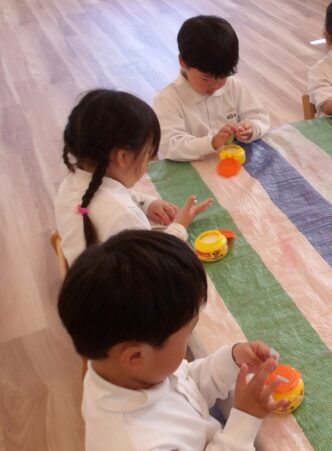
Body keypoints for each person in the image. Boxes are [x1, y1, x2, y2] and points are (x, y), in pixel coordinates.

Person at [58, 230, 287, 450]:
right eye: (188, 334)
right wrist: (245, 420)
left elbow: (186, 384)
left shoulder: (129, 371)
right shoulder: (139, 443)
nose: (189, 342)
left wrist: (232, 359)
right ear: (135, 356)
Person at [55, 89, 211, 263]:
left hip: (83, 272)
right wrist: (179, 227)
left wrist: (147, 202)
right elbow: (155, 263)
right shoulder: (124, 215)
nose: (151, 161)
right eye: (149, 153)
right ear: (123, 157)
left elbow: (114, 196)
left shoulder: (72, 183)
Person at [154, 15, 270, 161]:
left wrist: (251, 128)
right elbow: (171, 146)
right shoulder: (168, 100)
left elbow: (260, 117)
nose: (215, 85)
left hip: (233, 164)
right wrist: (212, 143)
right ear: (183, 62)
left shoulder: (234, 87)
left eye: (223, 76)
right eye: (206, 78)